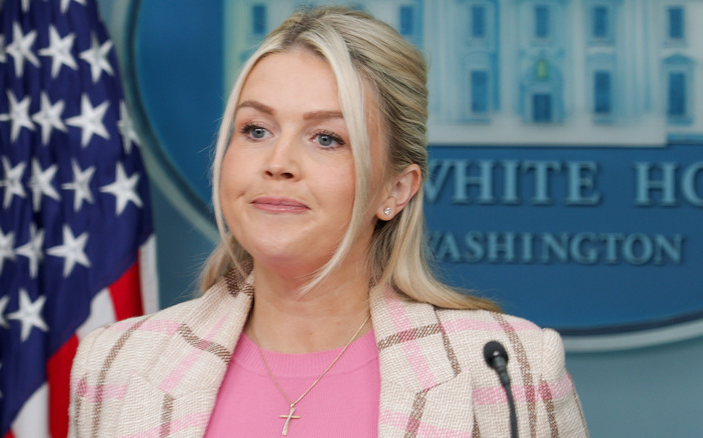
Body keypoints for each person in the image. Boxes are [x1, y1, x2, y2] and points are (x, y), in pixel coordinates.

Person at [68, 6, 588, 437]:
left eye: (326, 138)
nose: (278, 161)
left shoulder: (507, 370)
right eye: (255, 129)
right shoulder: (115, 364)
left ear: (395, 189)